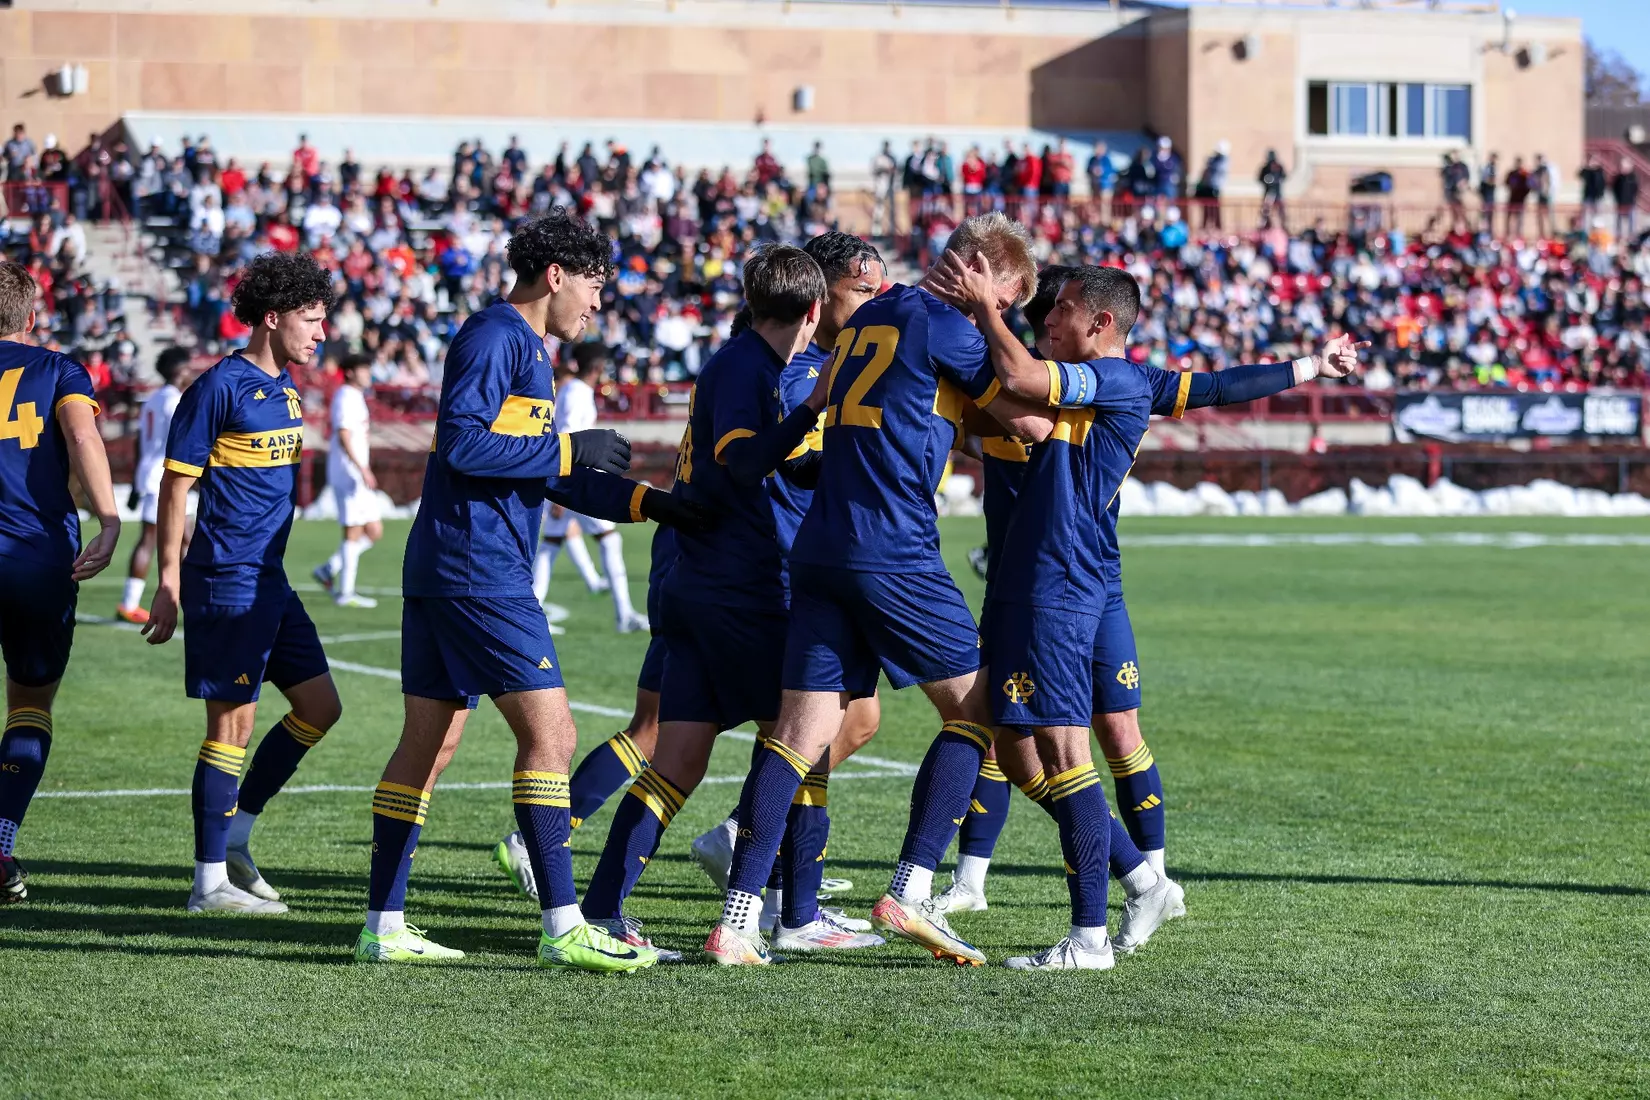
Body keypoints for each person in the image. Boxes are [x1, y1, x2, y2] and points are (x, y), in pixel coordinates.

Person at [930, 259, 1365, 967]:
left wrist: (983, 310)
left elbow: (1026, 382)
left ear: (1099, 323)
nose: (1044, 318)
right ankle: (1106, 879)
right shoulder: (1056, 370)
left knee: (1096, 733)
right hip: (1030, 581)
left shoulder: (1108, 377)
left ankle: (1103, 913)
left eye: (1059, 307)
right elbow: (992, 388)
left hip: (1077, 583)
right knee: (1010, 739)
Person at [352, 210, 706, 970]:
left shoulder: (529, 351)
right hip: (480, 571)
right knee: (554, 739)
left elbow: (539, 471)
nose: (599, 303)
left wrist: (652, 504)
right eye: (595, 286)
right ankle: (563, 926)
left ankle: (381, 926)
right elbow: (462, 442)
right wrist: (570, 445)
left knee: (430, 742)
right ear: (556, 276)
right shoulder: (496, 336)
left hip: (455, 568)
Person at [699, 212, 1053, 966]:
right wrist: (993, 323)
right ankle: (913, 887)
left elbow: (916, 409)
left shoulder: (870, 318)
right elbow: (1032, 423)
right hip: (892, 549)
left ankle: (737, 922)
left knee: (796, 738)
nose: (1008, 315)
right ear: (980, 272)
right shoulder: (944, 323)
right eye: (1009, 296)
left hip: (821, 547)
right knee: (978, 709)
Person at [142, 251, 346, 914]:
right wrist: (167, 579)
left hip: (270, 583)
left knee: (321, 708)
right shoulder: (216, 388)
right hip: (225, 581)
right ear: (270, 317)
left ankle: (237, 836)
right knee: (232, 724)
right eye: (312, 320)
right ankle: (207, 885)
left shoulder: (286, 386)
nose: (322, 333)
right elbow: (176, 487)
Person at [0, 261, 121, 904]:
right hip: (35, 559)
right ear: (31, 315)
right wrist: (107, 516)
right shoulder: (57, 369)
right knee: (29, 705)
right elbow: (80, 432)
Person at [531, 342, 648, 632]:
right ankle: (624, 615)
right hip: (575, 481)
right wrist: (561, 487)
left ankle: (531, 613)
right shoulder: (577, 393)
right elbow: (567, 435)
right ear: (597, 367)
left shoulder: (576, 391)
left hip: (568, 479)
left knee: (550, 546)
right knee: (609, 539)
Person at [117, 347, 193, 624]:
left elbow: (140, 441)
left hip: (150, 473)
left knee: (187, 538)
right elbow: (182, 441)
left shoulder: (152, 399)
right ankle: (128, 603)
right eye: (188, 368)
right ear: (180, 371)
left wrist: (137, 481)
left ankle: (192, 600)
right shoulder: (174, 401)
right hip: (162, 476)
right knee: (151, 539)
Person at [313, 353, 382, 609]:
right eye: (364, 369)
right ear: (351, 372)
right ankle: (346, 592)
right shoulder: (345, 396)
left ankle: (329, 569)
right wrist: (361, 468)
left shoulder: (356, 397)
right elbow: (343, 435)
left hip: (357, 472)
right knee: (353, 530)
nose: (368, 374)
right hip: (348, 472)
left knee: (374, 531)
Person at [1194, 141, 1229, 229]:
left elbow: (1219, 170)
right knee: (1206, 208)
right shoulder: (1213, 160)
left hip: (1215, 188)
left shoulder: (1223, 161)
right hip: (1208, 187)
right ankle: (1205, 225)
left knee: (1215, 209)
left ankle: (1217, 226)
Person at [1612, 158, 1640, 242]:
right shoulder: (1618, 178)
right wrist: (1617, 199)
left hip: (1630, 202)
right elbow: (1614, 188)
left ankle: (1631, 236)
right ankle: (1618, 236)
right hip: (1620, 202)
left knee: (1632, 221)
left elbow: (1636, 189)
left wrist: (1633, 198)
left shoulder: (1633, 177)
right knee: (1619, 221)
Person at [1259, 149, 1287, 230]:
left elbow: (1284, 176)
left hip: (1277, 191)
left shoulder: (1278, 167)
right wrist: (1266, 180)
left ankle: (1283, 226)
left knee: (1280, 210)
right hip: (1269, 191)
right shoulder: (1265, 168)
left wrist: (1276, 179)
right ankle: (1263, 225)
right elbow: (1260, 178)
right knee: (1266, 210)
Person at [1477, 153, 1499, 234]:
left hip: (1490, 195)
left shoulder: (1493, 168)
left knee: (1489, 216)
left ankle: (1489, 233)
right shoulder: (1489, 168)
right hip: (1486, 195)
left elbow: (1493, 180)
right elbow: (1489, 180)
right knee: (1485, 215)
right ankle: (1484, 233)